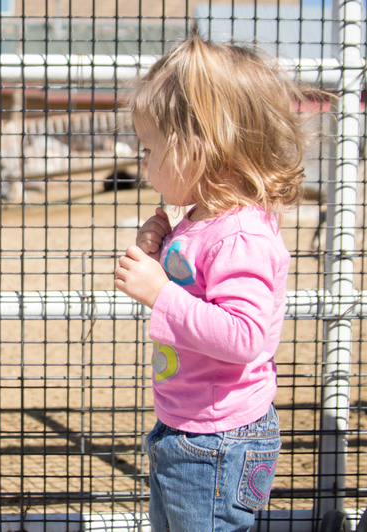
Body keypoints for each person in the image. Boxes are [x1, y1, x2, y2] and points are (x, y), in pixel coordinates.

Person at [113, 36, 317, 531]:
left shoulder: (240, 234)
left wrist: (159, 292)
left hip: (218, 441)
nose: (143, 163)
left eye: (150, 149)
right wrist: (157, 252)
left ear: (197, 148)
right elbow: (196, 286)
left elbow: (245, 336)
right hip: (190, 428)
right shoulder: (203, 220)